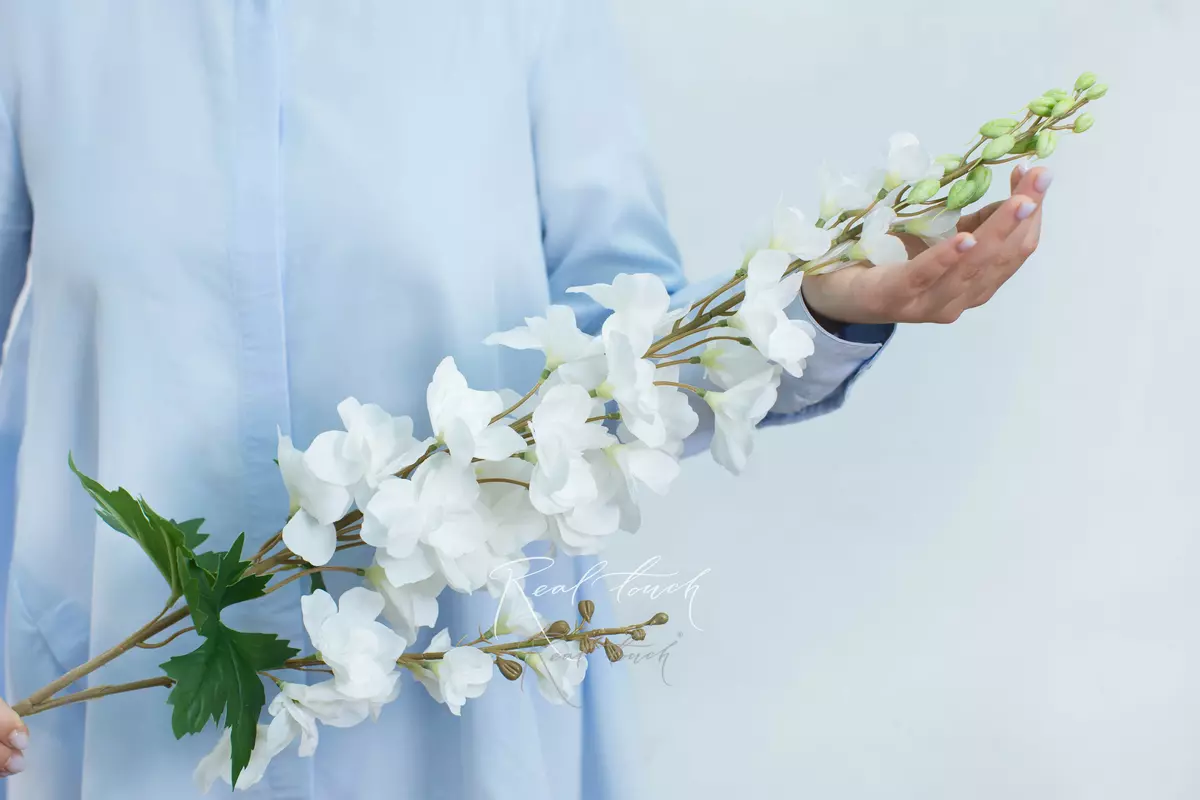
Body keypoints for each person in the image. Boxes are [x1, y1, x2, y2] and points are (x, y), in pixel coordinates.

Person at [0, 2, 1050, 798]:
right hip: (104, 713)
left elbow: (631, 365)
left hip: (448, 722)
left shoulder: (528, 19)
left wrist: (816, 307)